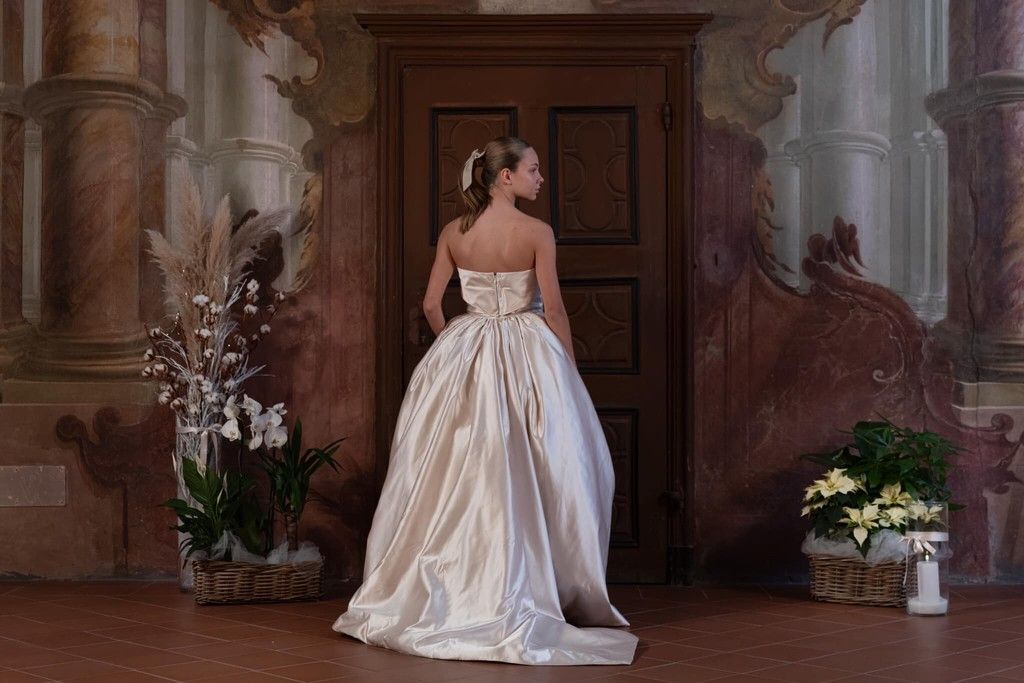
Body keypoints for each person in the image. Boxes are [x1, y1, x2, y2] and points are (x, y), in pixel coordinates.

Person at [332, 137, 638, 666]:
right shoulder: (537, 232)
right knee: (545, 461)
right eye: (533, 170)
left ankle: (455, 584)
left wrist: (455, 342)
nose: (540, 179)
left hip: (466, 345)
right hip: (529, 348)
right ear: (505, 177)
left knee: (456, 467)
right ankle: (534, 581)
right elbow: (554, 310)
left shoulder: (454, 232)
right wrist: (567, 368)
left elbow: (432, 303)